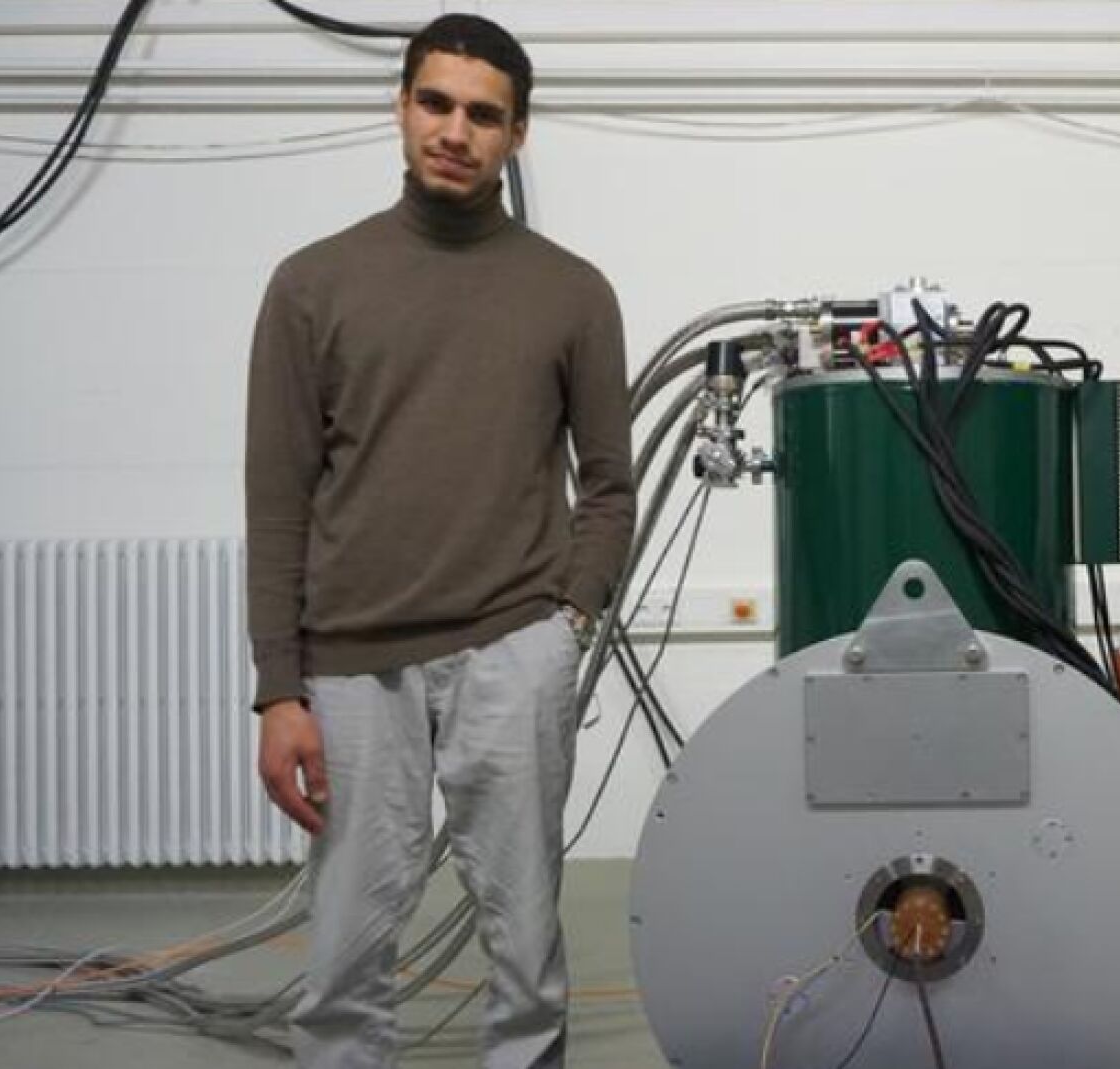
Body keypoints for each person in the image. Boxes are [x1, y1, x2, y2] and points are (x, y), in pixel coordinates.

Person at [245, 14, 632, 1067]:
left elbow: (609, 483)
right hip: (351, 666)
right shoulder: (312, 284)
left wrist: (567, 618)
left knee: (524, 952)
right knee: (342, 959)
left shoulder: (571, 291)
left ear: (518, 134)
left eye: (483, 115)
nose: (455, 132)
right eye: (436, 103)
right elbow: (277, 500)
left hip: (513, 648)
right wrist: (279, 689)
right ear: (402, 106)